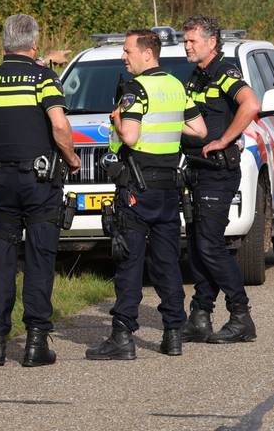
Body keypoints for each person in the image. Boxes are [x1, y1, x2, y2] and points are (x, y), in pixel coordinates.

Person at [86, 29, 206, 360]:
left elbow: (129, 135)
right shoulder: (175, 86)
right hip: (168, 187)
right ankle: (172, 334)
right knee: (167, 261)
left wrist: (118, 118)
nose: (124, 57)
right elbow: (199, 129)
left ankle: (122, 335)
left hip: (137, 187)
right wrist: (165, 123)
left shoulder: (135, 89)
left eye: (127, 51)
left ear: (147, 54)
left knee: (129, 261)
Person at [0, 14, 81, 367]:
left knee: (2, 259)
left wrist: (41, 59)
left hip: (1, 181)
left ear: (5, 43)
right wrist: (71, 159)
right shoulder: (44, 79)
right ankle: (36, 343)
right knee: (40, 258)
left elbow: (19, 71)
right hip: (39, 182)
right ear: (34, 44)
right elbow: (58, 124)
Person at [179, 16, 261, 344]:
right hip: (196, 170)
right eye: (185, 41)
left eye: (192, 41)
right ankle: (200, 314)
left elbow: (251, 103)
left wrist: (225, 139)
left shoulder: (224, 73)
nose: (187, 46)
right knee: (198, 245)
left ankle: (241, 315)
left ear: (211, 43)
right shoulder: (195, 77)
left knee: (210, 245)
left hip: (218, 173)